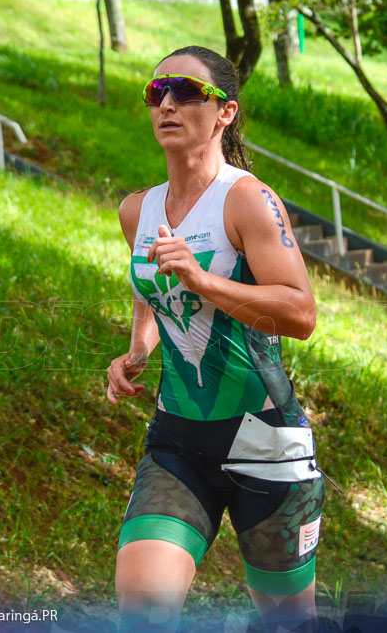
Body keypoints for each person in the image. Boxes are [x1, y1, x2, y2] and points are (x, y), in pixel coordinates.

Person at [106, 45, 324, 633]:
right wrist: (139, 348)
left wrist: (205, 279)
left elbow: (300, 314)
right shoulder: (138, 210)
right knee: (143, 609)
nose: (167, 103)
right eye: (157, 93)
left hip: (265, 443)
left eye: (183, 91)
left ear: (224, 112)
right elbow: (152, 286)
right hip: (177, 441)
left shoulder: (247, 199)